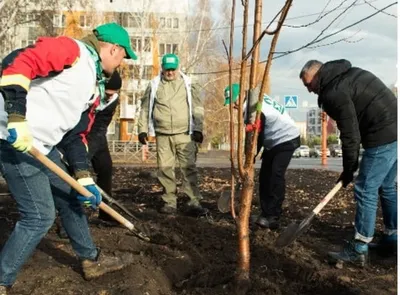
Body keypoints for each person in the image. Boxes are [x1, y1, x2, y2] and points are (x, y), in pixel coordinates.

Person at [0, 22, 136, 293]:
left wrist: (84, 177)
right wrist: (16, 117)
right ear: (113, 49)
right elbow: (17, 62)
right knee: (39, 216)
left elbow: (75, 136)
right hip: (14, 139)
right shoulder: (72, 51)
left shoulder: (92, 86)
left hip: (43, 144)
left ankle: (91, 260)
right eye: (123, 56)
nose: (122, 62)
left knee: (72, 196)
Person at [299, 59, 397, 266]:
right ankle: (393, 238)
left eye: (309, 85)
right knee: (387, 186)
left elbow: (350, 134)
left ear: (317, 75)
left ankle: (359, 248)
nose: (309, 91)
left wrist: (348, 169)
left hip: (383, 135)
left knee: (365, 189)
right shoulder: (348, 73)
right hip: (395, 129)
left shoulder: (334, 92)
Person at [138, 53, 207, 216]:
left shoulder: (189, 84)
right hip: (163, 135)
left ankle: (193, 201)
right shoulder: (154, 85)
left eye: (173, 69)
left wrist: (198, 128)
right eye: (167, 69)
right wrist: (142, 129)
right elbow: (145, 108)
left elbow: (197, 107)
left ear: (178, 67)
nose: (170, 72)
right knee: (165, 169)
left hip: (185, 133)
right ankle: (169, 202)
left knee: (188, 168)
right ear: (162, 68)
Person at [224, 84, 300, 229]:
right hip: (274, 140)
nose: (233, 106)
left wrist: (251, 156)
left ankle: (273, 216)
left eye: (234, 101)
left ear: (241, 96)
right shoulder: (255, 100)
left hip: (286, 137)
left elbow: (257, 134)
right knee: (264, 177)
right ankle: (265, 213)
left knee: (275, 175)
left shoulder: (252, 107)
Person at [57, 70, 122, 226]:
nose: (110, 96)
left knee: (105, 167)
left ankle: (106, 215)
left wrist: (89, 149)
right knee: (74, 173)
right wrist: (80, 156)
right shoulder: (86, 94)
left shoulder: (113, 100)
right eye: (107, 93)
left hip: (95, 135)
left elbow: (100, 126)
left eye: (113, 94)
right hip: (75, 134)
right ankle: (71, 221)